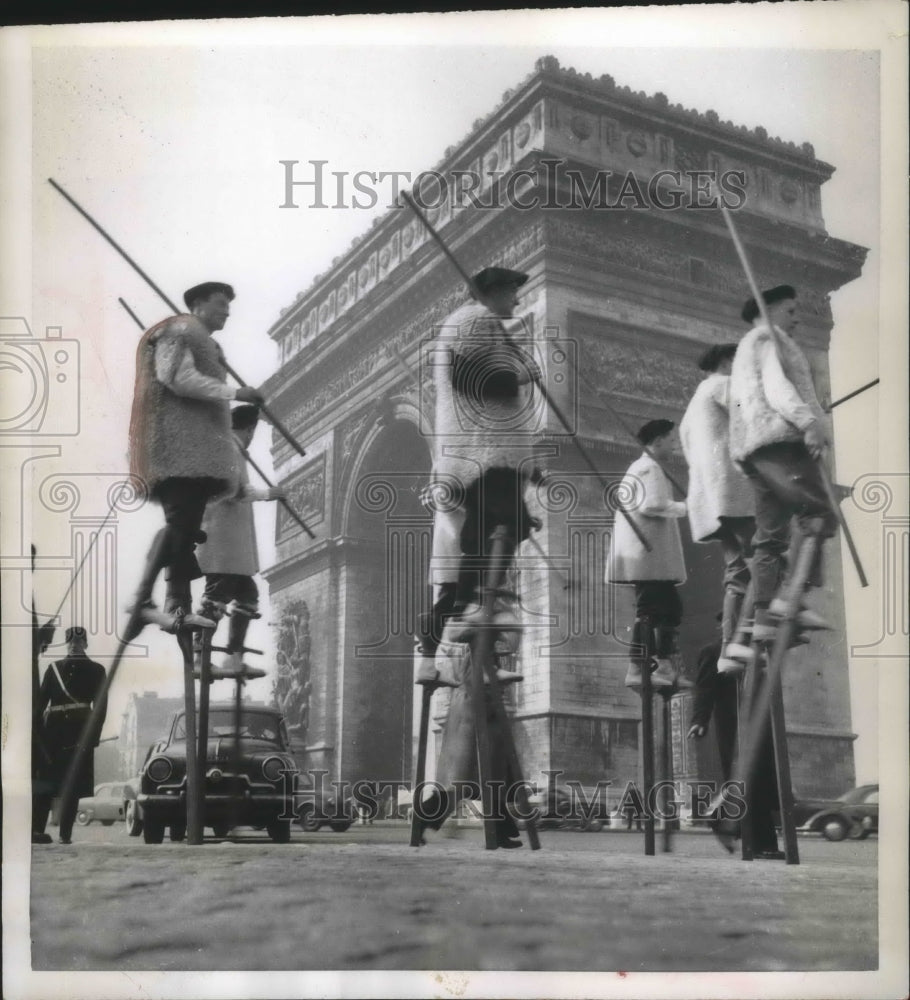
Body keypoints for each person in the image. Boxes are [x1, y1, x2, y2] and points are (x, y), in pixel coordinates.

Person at [413, 266, 542, 848]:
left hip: (490, 454)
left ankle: (487, 816)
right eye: (513, 289)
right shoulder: (473, 323)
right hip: (483, 455)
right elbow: (481, 380)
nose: (520, 296)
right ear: (492, 290)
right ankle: (457, 809)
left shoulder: (480, 324)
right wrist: (521, 369)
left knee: (482, 712)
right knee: (501, 525)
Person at [126, 281, 263, 640]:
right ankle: (144, 600)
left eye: (229, 307)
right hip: (177, 448)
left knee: (184, 528)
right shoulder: (182, 329)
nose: (227, 312)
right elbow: (177, 378)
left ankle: (174, 602)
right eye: (220, 304)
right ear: (198, 303)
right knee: (179, 524)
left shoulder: (203, 340)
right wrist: (236, 392)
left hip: (197, 452)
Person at [728, 285, 836, 648]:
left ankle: (762, 617)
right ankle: (792, 596)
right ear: (770, 310)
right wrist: (808, 422)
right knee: (820, 511)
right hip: (780, 442)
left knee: (770, 536)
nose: (797, 318)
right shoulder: (768, 339)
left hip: (754, 451)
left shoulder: (745, 348)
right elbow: (776, 388)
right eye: (791, 311)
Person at [679, 344, 755, 674]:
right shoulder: (724, 385)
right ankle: (759, 628)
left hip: (711, 504)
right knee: (767, 555)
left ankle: (729, 649)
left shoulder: (689, 411)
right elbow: (754, 415)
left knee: (737, 573)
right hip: (735, 495)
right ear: (726, 362)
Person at [195, 404, 284, 676]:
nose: (252, 436)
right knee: (216, 598)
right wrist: (271, 493)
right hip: (223, 546)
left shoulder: (231, 449)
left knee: (248, 595)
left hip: (232, 547)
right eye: (252, 431)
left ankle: (233, 656)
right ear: (249, 429)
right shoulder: (228, 449)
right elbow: (235, 490)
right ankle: (200, 655)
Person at [608, 419, 689, 690]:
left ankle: (663, 665)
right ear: (657, 442)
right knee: (652, 610)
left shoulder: (644, 467)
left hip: (650, 557)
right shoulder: (649, 467)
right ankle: (639, 666)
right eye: (671, 439)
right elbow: (652, 505)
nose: (675, 444)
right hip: (647, 558)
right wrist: (686, 507)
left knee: (667, 609)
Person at [687, 638, 783, 858]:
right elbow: (705, 687)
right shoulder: (713, 650)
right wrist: (699, 720)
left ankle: (763, 844)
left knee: (762, 779)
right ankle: (725, 820)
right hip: (733, 724)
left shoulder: (760, 651)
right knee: (747, 776)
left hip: (762, 723)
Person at [33, 628, 108, 845]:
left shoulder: (97, 670)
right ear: (66, 644)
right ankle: (38, 831)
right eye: (70, 642)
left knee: (73, 785)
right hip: (51, 735)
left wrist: (92, 738)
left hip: (79, 734)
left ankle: (65, 834)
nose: (74, 645)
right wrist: (36, 736)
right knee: (45, 783)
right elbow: (40, 705)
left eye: (78, 641)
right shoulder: (54, 668)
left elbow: (100, 708)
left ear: (85, 644)